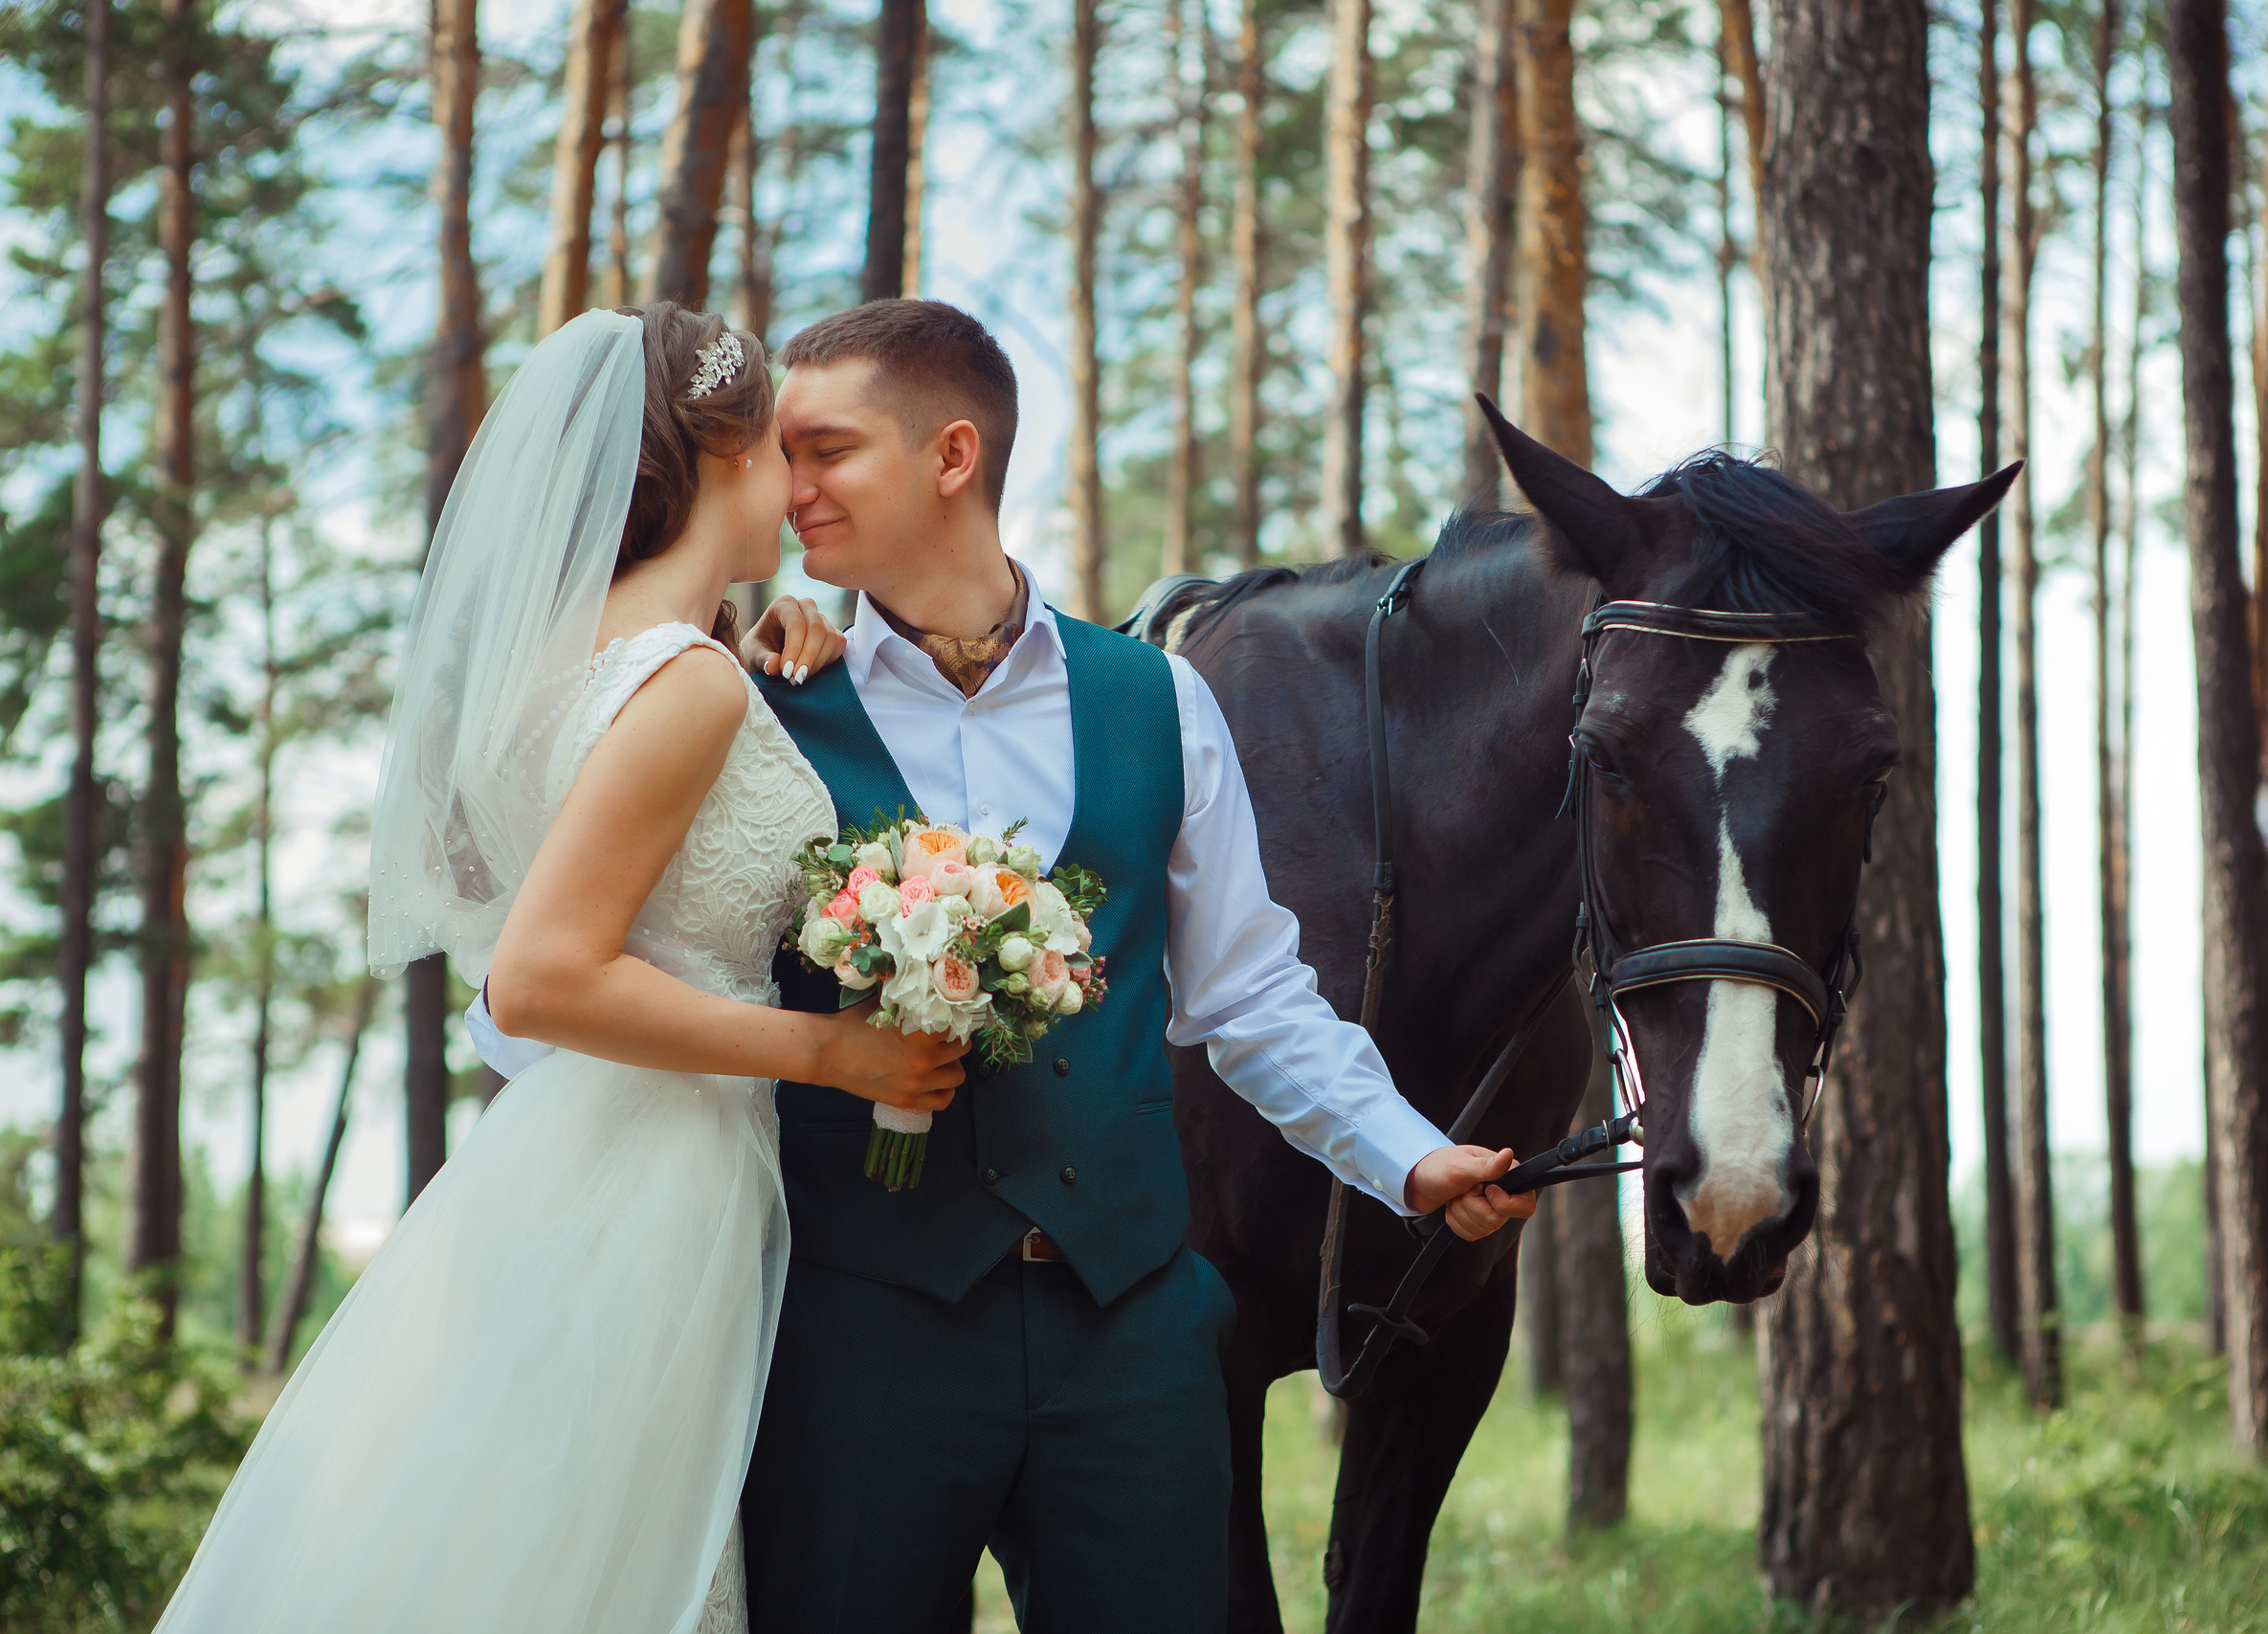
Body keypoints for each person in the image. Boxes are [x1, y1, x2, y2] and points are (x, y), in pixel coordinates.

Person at [723, 300, 1539, 1632]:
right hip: (860, 1336)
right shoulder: (766, 705)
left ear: (952, 455)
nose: (789, 490)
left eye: (826, 451)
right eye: (780, 457)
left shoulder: (1158, 699)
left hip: (1131, 1341)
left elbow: (1251, 996)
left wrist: (1409, 1155)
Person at [152, 303, 952, 1634]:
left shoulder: (564, 666)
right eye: (783, 449)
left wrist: (766, 645)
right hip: (659, 1174)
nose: (802, 486)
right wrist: (837, 1052)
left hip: (567, 1148)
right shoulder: (689, 682)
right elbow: (539, 980)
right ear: (729, 454)